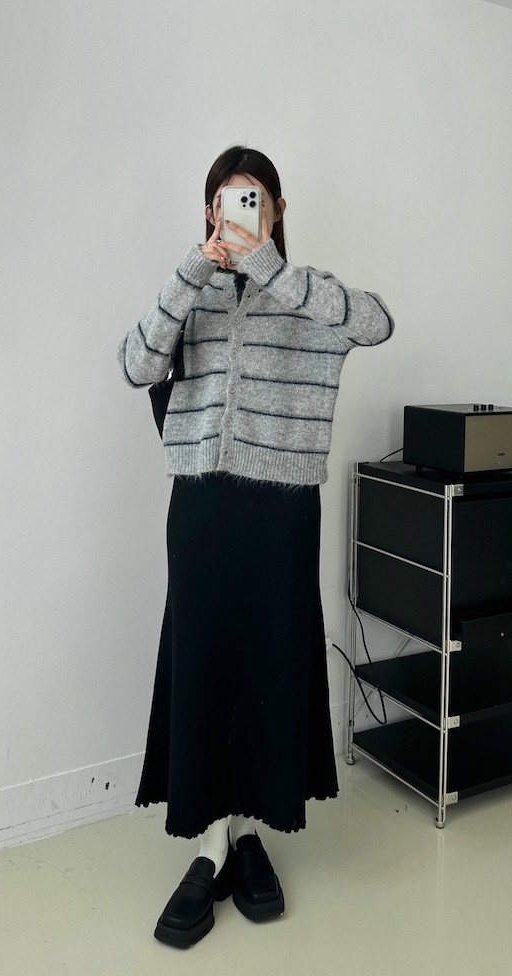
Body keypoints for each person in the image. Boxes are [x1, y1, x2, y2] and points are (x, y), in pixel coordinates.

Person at [118, 145, 394, 948]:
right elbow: (135, 364)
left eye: (254, 200)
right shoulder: (192, 293)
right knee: (207, 663)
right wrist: (192, 270)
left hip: (282, 511)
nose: (239, 213)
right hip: (202, 508)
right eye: (226, 201)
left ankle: (247, 834)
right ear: (210, 211)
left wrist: (271, 268)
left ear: (276, 209)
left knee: (268, 662)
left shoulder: (307, 294)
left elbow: (376, 322)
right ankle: (212, 844)